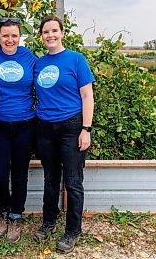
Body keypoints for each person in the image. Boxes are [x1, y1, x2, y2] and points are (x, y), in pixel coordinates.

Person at [33, 15, 95, 254]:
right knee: (50, 179)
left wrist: (85, 129)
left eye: (54, 31)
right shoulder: (38, 63)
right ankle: (48, 221)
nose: (50, 35)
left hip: (72, 127)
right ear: (42, 35)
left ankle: (72, 231)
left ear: (62, 32)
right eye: (46, 32)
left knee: (73, 181)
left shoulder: (76, 60)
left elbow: (87, 96)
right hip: (45, 127)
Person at [0, 17, 37, 242]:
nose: (10, 39)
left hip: (25, 124)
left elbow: (46, 78)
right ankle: (3, 212)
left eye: (14, 35)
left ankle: (16, 215)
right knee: (0, 174)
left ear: (19, 37)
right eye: (5, 35)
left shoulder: (29, 57)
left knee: (20, 173)